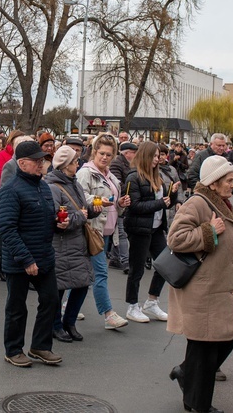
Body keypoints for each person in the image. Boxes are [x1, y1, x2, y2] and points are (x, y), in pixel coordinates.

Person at [167, 156, 233, 413]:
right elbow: (175, 238)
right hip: (202, 291)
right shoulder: (198, 203)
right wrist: (208, 231)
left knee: (220, 342)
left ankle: (187, 380)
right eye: (229, 180)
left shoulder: (222, 202)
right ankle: (199, 405)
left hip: (217, 289)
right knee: (206, 351)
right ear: (214, 182)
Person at [0, 141, 62, 367]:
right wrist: (26, 259)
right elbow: (6, 228)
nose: (41, 164)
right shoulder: (10, 190)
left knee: (51, 300)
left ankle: (40, 346)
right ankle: (13, 349)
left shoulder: (43, 187)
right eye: (36, 161)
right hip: (20, 260)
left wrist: (57, 224)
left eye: (42, 160)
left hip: (44, 255)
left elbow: (44, 219)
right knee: (17, 307)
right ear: (21, 163)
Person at [44, 146, 99, 343]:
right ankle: (55, 325)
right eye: (75, 161)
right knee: (59, 288)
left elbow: (81, 210)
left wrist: (94, 210)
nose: (78, 164)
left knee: (82, 284)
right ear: (65, 165)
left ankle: (70, 321)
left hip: (78, 243)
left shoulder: (74, 183)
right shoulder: (52, 187)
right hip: (61, 244)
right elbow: (55, 220)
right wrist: (81, 216)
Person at [76, 133, 130, 330]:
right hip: (91, 229)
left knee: (84, 272)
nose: (105, 157)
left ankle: (66, 305)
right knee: (100, 273)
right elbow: (80, 198)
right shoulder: (85, 173)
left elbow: (115, 203)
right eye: (101, 153)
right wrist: (100, 201)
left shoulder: (112, 177)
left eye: (109, 154)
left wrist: (121, 202)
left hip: (107, 231)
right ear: (94, 152)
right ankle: (108, 314)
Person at [124, 141, 176, 323]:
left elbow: (166, 201)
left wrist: (172, 194)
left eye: (159, 156)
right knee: (136, 269)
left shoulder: (157, 176)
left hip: (155, 228)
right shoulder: (134, 178)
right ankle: (132, 305)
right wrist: (161, 203)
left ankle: (152, 301)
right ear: (146, 156)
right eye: (154, 156)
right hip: (139, 227)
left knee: (165, 264)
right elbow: (135, 206)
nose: (158, 159)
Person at [109, 141, 137, 271]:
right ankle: (126, 261)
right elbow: (117, 185)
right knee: (121, 233)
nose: (136, 156)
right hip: (117, 201)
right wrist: (132, 185)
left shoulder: (129, 164)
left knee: (119, 231)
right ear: (127, 153)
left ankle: (115, 259)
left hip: (124, 201)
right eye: (134, 153)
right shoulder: (116, 164)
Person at [158, 143, 184, 225]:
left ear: (166, 155)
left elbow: (179, 187)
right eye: (158, 155)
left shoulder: (172, 170)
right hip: (159, 204)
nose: (160, 157)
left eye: (162, 154)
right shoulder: (152, 170)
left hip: (172, 205)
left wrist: (179, 201)